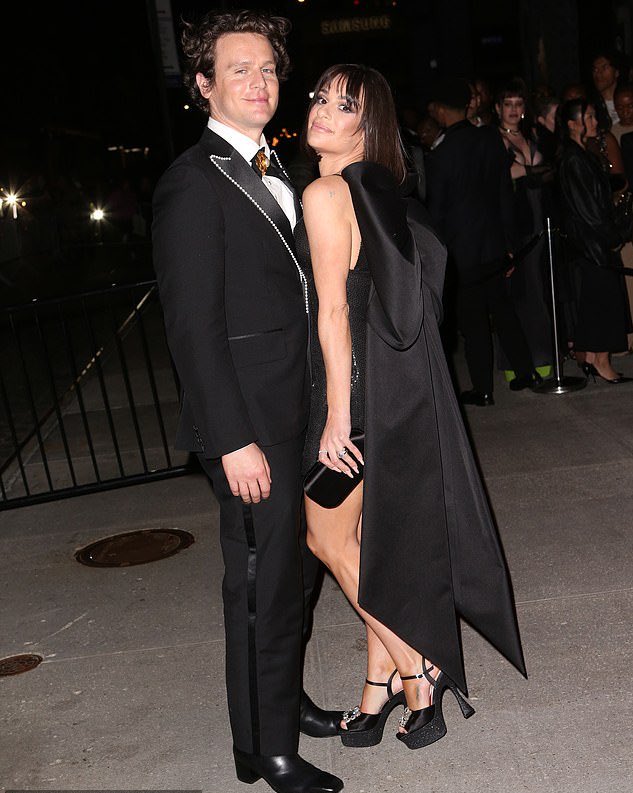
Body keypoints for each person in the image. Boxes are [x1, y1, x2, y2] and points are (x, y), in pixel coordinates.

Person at [298, 63, 526, 752]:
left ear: (366, 126)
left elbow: (334, 313)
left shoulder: (324, 192)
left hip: (350, 396)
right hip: (389, 392)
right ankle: (376, 687)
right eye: (318, 97)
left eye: (341, 105)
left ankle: (416, 666)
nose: (320, 110)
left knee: (327, 540)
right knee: (364, 545)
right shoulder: (384, 190)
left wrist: (337, 415)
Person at [152, 11, 344, 793]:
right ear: (203, 85)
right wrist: (231, 438)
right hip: (247, 424)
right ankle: (265, 752)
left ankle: (276, 703)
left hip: (294, 407)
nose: (259, 83)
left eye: (267, 69)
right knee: (263, 579)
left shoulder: (281, 167)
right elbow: (192, 328)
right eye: (238, 70)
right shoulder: (190, 184)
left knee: (294, 573)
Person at [425, 76, 542, 406]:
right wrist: (508, 242)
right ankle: (525, 371)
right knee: (504, 311)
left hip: (461, 253)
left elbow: (438, 212)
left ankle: (483, 390)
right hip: (492, 244)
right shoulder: (489, 139)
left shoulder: (441, 153)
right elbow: (504, 193)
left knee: (473, 321)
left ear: (437, 109)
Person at [557, 98, 633, 383]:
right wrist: (613, 235)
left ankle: (592, 358)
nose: (594, 121)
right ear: (572, 124)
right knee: (602, 302)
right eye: (587, 117)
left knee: (598, 301)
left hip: (592, 242)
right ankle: (600, 361)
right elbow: (588, 210)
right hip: (592, 245)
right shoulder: (573, 159)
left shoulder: (580, 154)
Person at [495, 79, 553, 381]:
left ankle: (543, 355)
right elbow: (504, 178)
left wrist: (529, 172)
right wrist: (535, 172)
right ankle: (515, 363)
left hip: (540, 225)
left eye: (519, 104)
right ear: (498, 109)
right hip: (514, 227)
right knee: (517, 295)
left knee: (540, 292)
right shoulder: (495, 142)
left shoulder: (533, 137)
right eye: (508, 104)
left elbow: (551, 170)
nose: (514, 110)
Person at [591, 51, 621, 126]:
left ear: (616, 72)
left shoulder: (628, 99)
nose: (599, 73)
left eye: (604, 68)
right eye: (595, 70)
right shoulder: (592, 104)